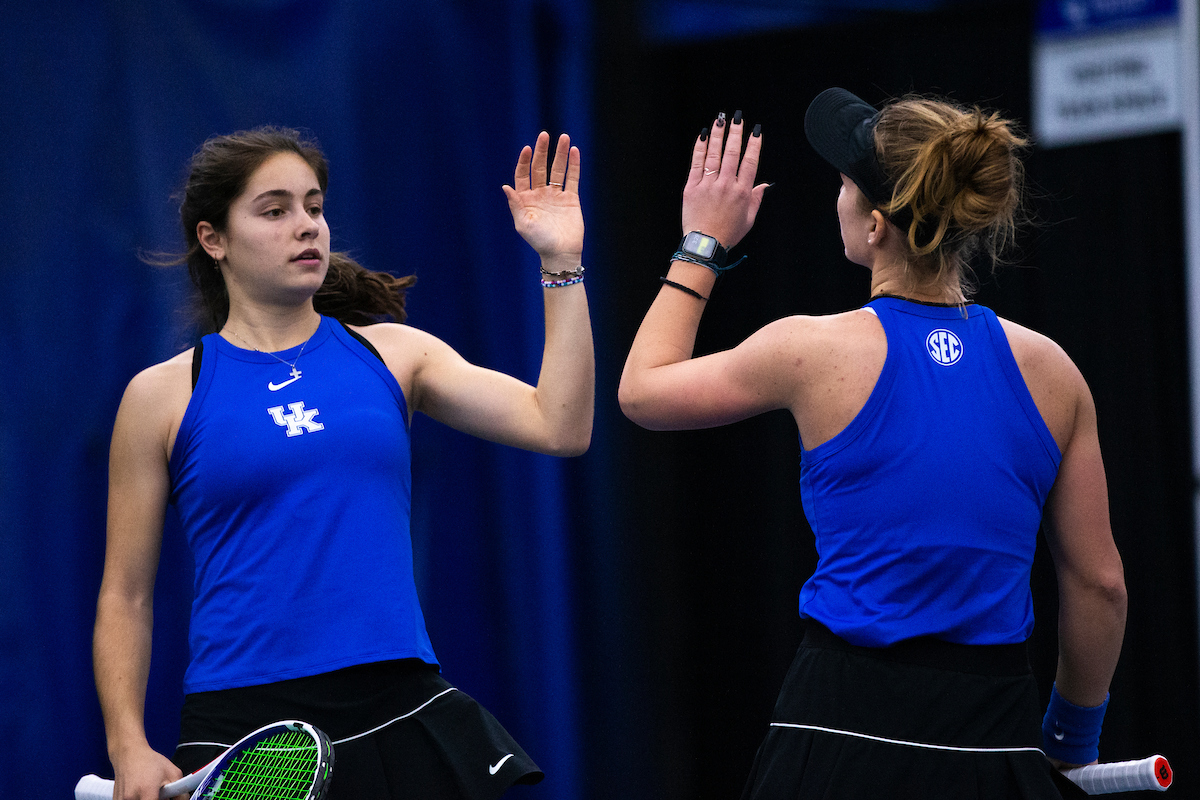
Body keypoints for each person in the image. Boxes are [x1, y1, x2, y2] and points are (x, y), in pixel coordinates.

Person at [618, 92, 1127, 798]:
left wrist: (703, 240)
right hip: (993, 740)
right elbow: (1100, 587)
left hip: (837, 734)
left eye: (844, 185)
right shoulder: (1054, 373)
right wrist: (1071, 744)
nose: (837, 199)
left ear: (877, 225)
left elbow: (643, 392)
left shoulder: (808, 349)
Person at [92, 125, 593, 800]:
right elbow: (126, 595)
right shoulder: (159, 396)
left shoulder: (395, 354)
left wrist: (560, 261)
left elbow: (559, 424)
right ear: (214, 240)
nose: (306, 227)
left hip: (398, 705)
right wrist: (128, 746)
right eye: (274, 211)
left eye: (315, 206)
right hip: (240, 727)